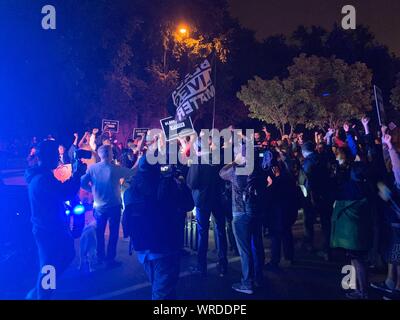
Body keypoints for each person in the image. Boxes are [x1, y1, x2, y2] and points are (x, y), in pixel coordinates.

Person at [25, 139, 86, 299]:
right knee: (50, 267)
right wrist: (78, 174)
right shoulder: (43, 179)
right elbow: (65, 192)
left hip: (52, 228)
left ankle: (41, 291)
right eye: (55, 156)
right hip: (49, 230)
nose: (58, 160)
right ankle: (42, 294)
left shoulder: (42, 176)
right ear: (47, 156)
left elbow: (60, 193)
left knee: (66, 256)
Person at [81, 145, 136, 267]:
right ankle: (110, 260)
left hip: (99, 207)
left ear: (100, 155)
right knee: (113, 233)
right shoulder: (115, 168)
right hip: (114, 206)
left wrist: (92, 191)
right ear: (110, 154)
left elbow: (82, 183)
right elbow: (132, 172)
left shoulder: (92, 168)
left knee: (99, 233)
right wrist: (140, 159)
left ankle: (100, 257)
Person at [219, 150, 265, 294]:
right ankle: (258, 278)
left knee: (245, 250)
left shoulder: (236, 169)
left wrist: (234, 161)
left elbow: (221, 173)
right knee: (257, 245)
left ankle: (247, 283)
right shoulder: (258, 170)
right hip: (255, 211)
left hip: (240, 211)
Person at [186, 134, 228, 277]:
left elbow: (191, 183)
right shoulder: (218, 159)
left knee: (202, 233)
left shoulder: (198, 161)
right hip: (217, 199)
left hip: (203, 201)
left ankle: (201, 266)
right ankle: (223, 265)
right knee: (220, 231)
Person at [301, 141, 333, 259]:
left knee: (309, 221)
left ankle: (309, 245)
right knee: (326, 223)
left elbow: (307, 181)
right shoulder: (323, 158)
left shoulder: (307, 163)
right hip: (326, 194)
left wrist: (308, 196)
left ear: (304, 152)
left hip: (312, 197)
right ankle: (327, 250)